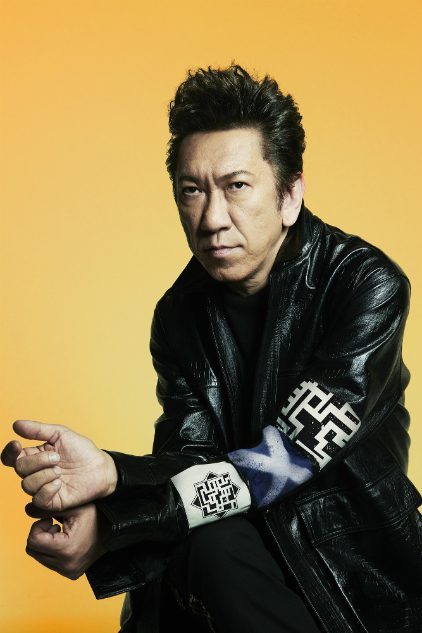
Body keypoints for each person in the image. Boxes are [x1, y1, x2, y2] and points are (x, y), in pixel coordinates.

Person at [2, 64, 422, 633]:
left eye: (236, 187)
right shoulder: (179, 315)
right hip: (229, 562)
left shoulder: (364, 286)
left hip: (344, 572)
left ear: (290, 195)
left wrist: (116, 504)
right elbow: (192, 459)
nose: (211, 219)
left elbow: (288, 456)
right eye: (192, 191)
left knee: (205, 544)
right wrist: (107, 480)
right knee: (196, 551)